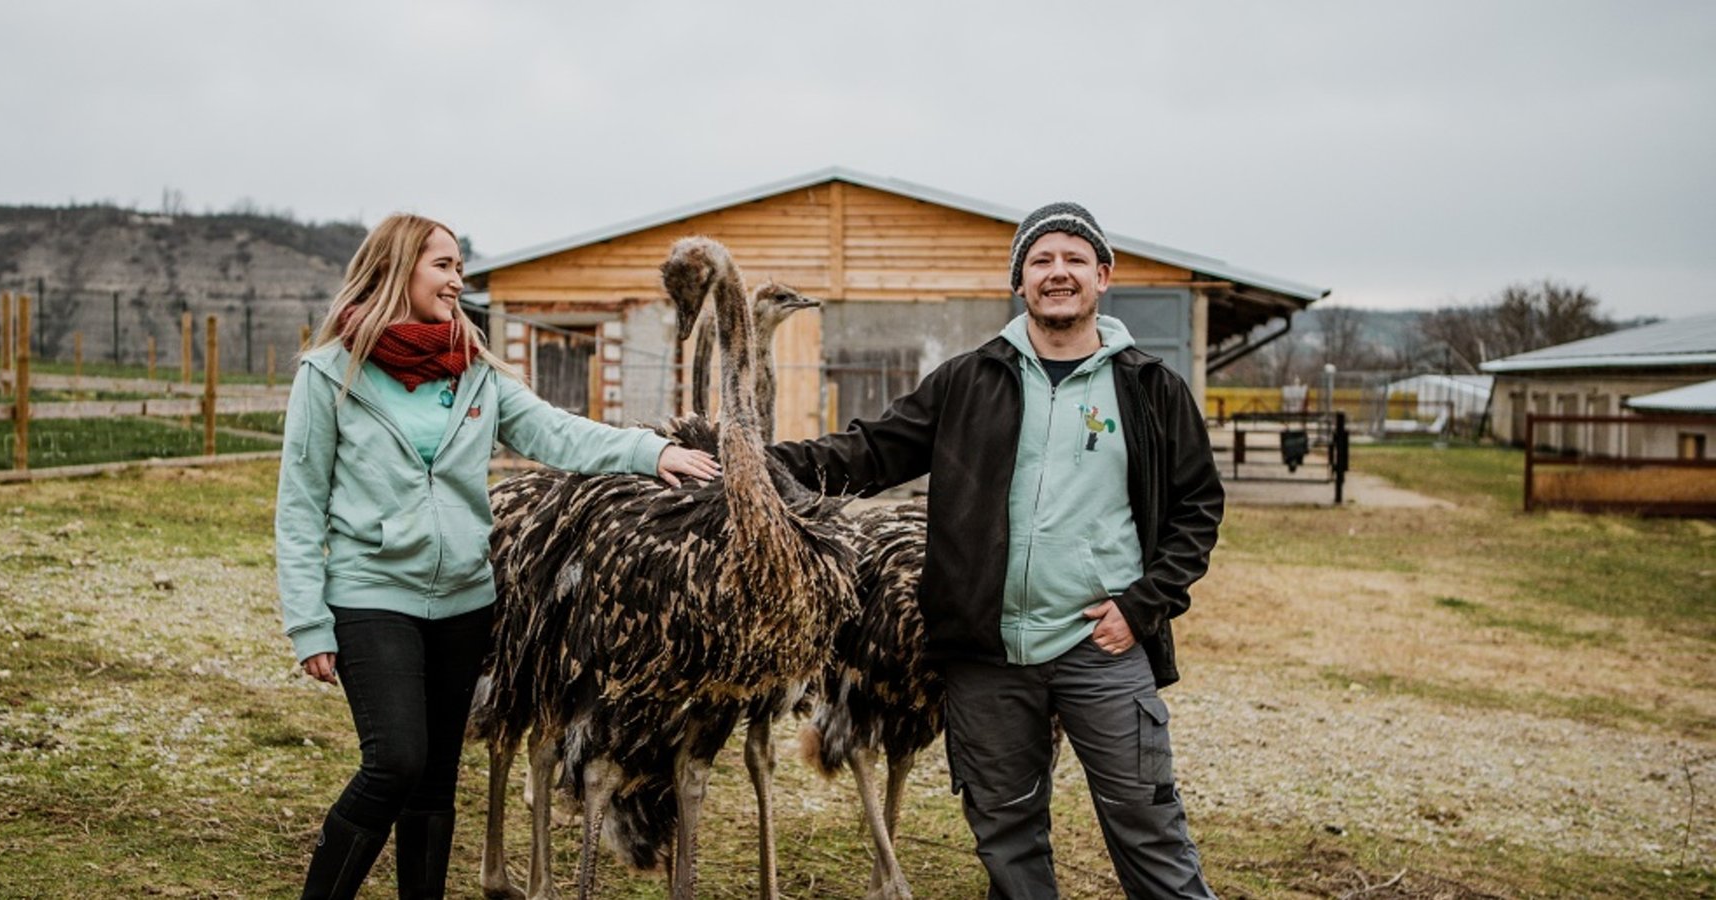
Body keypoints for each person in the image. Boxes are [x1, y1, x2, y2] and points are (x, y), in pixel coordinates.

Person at [772, 202, 1224, 898]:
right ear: (1021, 282)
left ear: (1103, 276)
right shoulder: (970, 380)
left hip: (1100, 646)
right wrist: (751, 462)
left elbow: (1198, 507)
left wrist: (1142, 606)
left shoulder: (1149, 388)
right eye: (1041, 261)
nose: (1058, 273)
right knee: (1006, 838)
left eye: (1074, 259)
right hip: (987, 654)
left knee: (1148, 828)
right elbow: (870, 451)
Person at [274, 213, 719, 899]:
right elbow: (299, 506)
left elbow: (556, 433)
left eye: (459, 267)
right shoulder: (331, 375)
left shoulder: (474, 373)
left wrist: (649, 452)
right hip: (370, 596)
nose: (457, 280)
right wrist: (308, 620)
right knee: (395, 761)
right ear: (398, 269)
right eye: (443, 265)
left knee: (435, 781)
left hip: (462, 601)